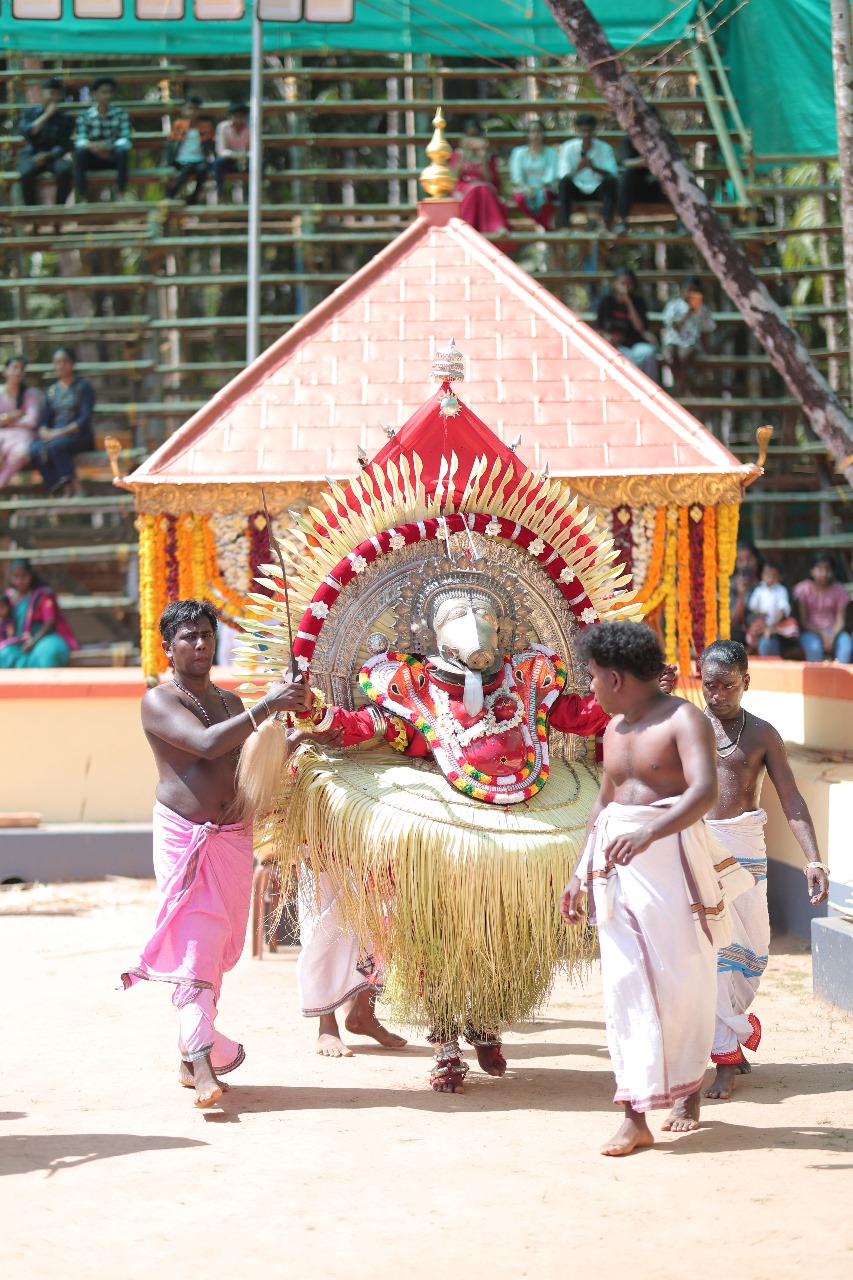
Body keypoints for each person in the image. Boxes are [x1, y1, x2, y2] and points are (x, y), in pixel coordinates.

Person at [560, 621, 751, 1157]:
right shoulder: (614, 729)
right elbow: (604, 805)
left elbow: (704, 790)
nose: (590, 686)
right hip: (618, 871)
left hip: (673, 867)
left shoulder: (684, 719)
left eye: (594, 677)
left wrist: (647, 830)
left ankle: (687, 1088)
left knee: (682, 981)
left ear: (616, 677)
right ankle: (634, 1114)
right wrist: (580, 872)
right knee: (626, 987)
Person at [121, 599, 311, 1108]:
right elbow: (205, 746)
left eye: (205, 634)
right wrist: (268, 705)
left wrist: (297, 731)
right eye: (188, 637)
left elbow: (247, 758)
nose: (199, 644)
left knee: (216, 946)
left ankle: (189, 1057)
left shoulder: (229, 702)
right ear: (169, 647)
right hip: (187, 837)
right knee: (197, 945)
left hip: (233, 838)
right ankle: (204, 1065)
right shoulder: (157, 701)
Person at [700, 640, 829, 1100]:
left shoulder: (762, 735)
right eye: (709, 684)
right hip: (697, 853)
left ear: (746, 683)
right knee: (710, 957)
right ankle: (725, 1061)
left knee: (749, 952)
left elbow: (791, 798)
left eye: (728, 686)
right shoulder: (686, 727)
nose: (717, 695)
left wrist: (812, 857)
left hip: (744, 853)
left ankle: (730, 1037)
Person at [29, 347, 95, 497]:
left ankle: (71, 485)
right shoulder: (52, 391)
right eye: (57, 362)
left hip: (79, 436)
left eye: (65, 361)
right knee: (34, 449)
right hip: (55, 436)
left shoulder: (83, 387)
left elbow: (84, 418)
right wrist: (44, 431)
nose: (61, 365)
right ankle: (54, 486)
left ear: (72, 364)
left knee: (56, 446)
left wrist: (59, 433)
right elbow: (45, 420)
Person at [0, 558, 78, 669]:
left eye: (24, 577)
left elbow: (50, 622)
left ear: (30, 576)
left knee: (47, 654)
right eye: (16, 577)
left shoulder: (43, 595)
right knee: (5, 654)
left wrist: (33, 641)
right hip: (18, 641)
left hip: (43, 638)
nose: (20, 581)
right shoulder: (8, 597)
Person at [17, 77, 74, 208]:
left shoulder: (65, 118)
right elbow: (28, 132)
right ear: (42, 93)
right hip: (32, 153)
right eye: (51, 93)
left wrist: (48, 155)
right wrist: (46, 115)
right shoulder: (29, 113)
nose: (54, 97)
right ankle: (32, 214)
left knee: (65, 170)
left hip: (53, 156)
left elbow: (64, 144)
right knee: (26, 173)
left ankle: (59, 212)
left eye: (57, 94)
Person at [74, 76, 132, 203]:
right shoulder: (85, 116)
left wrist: (108, 147)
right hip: (93, 158)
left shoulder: (121, 114)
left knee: (122, 152)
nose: (108, 95)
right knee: (80, 153)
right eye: (104, 92)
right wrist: (94, 147)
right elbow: (80, 140)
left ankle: (120, 194)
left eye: (110, 92)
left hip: (112, 156)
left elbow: (126, 140)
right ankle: (83, 196)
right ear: (94, 94)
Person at [596, 268, 660, 382]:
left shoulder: (639, 302)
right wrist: (608, 339)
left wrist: (628, 302)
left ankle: (651, 389)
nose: (625, 287)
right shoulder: (606, 302)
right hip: (614, 345)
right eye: (622, 283)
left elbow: (640, 328)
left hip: (635, 345)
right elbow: (600, 329)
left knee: (648, 353)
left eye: (629, 284)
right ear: (615, 283)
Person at [556, 113, 618, 229]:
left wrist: (593, 168)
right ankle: (566, 225)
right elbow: (563, 175)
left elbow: (612, 173)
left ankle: (607, 222)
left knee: (611, 182)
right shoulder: (568, 148)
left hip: (598, 189)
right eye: (583, 131)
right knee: (564, 183)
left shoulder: (605, 148)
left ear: (594, 131)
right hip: (577, 189)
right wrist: (578, 169)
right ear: (578, 131)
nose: (586, 135)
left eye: (589, 131)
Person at [449, 119, 510, 236]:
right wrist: (464, 155)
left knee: (482, 188)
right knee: (475, 189)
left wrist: (482, 157)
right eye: (470, 136)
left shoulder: (488, 155)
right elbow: (454, 177)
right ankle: (466, 227)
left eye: (476, 136)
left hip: (484, 188)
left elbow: (489, 178)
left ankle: (496, 226)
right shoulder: (457, 154)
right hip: (464, 188)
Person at [660, 277, 716, 394]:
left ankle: (681, 387)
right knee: (669, 356)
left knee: (684, 355)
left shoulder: (703, 310)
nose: (691, 294)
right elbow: (674, 326)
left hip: (691, 343)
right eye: (689, 290)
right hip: (672, 341)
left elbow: (706, 332)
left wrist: (708, 350)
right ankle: (682, 384)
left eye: (694, 291)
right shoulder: (673, 306)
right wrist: (688, 313)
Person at [793, 553, 852, 664]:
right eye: (819, 569)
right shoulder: (803, 589)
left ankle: (843, 679)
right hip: (811, 631)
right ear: (811, 570)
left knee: (846, 648)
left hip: (836, 632)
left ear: (833, 572)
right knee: (814, 648)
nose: (824, 574)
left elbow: (841, 621)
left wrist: (831, 636)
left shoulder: (840, 590)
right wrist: (822, 634)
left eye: (828, 569)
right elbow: (804, 622)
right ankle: (817, 680)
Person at [0, 354, 43, 488]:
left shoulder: (30, 394)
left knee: (21, 453)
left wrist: (8, 422)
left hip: (23, 437)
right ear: (6, 371)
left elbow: (31, 421)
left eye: (21, 369)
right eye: (14, 368)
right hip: (2, 437)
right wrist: (10, 417)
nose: (18, 372)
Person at [165, 95, 215, 204]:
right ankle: (170, 194)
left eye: (195, 109)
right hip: (181, 160)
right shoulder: (178, 125)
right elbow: (171, 144)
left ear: (199, 111)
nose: (192, 112)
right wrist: (168, 162)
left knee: (202, 169)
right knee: (189, 166)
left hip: (199, 160)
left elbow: (210, 145)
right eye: (189, 108)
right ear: (183, 110)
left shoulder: (206, 126)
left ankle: (194, 198)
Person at [509, 120, 558, 230]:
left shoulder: (551, 152)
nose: (535, 135)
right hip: (524, 188)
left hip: (544, 188)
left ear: (543, 134)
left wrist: (538, 187)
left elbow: (551, 174)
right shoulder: (518, 152)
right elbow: (516, 176)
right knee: (520, 198)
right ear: (527, 134)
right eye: (532, 131)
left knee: (545, 195)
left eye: (538, 131)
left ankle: (544, 227)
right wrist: (526, 188)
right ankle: (543, 227)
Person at [746, 560, 798, 657]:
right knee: (755, 629)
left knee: (790, 625)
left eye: (773, 575)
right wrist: (761, 615)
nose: (770, 577)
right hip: (761, 621)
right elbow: (753, 607)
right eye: (767, 574)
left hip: (777, 623)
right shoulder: (759, 589)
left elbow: (783, 609)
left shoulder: (781, 590)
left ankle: (768, 633)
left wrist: (773, 624)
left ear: (779, 577)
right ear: (762, 575)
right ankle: (754, 645)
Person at [615, 137, 666, 232]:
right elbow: (626, 162)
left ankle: (682, 223)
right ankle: (622, 220)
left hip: (658, 186)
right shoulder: (629, 138)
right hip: (636, 188)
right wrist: (645, 161)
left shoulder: (662, 137)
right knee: (628, 174)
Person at [214, 101, 251, 200]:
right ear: (230, 116)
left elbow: (255, 149)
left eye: (241, 116)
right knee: (218, 163)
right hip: (229, 160)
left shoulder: (251, 128)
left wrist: (245, 156)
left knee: (260, 163)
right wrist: (236, 155)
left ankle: (254, 194)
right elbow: (221, 150)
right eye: (235, 115)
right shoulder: (222, 127)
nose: (238, 119)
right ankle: (220, 192)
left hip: (246, 160)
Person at [730, 541, 762, 647]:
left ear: (757, 560)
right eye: (740, 560)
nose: (745, 564)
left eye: (749, 559)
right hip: (739, 636)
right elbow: (732, 621)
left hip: (762, 633)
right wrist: (741, 595)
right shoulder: (730, 585)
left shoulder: (767, 582)